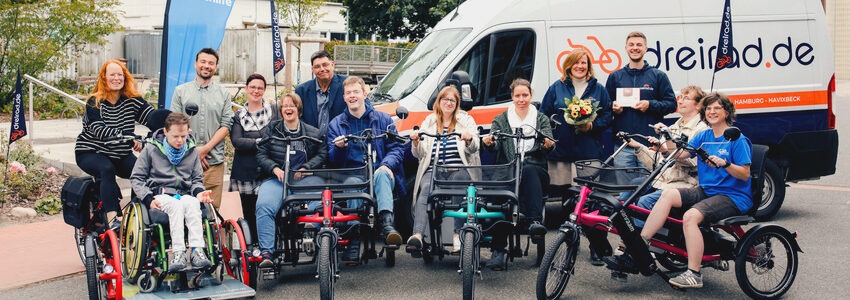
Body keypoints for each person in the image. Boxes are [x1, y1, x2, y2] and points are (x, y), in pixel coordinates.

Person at [607, 93, 752, 289]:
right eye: (708, 109)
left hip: (732, 195)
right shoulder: (704, 135)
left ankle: (694, 273)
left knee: (691, 216)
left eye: (717, 108)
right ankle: (641, 245)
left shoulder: (737, 139)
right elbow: (681, 153)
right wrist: (665, 139)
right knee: (669, 194)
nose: (712, 112)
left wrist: (725, 164)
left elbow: (744, 174)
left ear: (727, 112)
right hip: (707, 190)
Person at [539, 50, 613, 265]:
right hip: (561, 153)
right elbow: (543, 114)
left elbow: (608, 115)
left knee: (591, 201)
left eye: (584, 62)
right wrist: (548, 137)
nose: (580, 66)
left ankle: (597, 247)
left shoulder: (598, 89)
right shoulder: (557, 87)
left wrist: (592, 125)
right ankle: (569, 242)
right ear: (568, 65)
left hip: (588, 152)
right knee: (566, 200)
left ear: (588, 65)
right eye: (576, 62)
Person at [327, 76, 405, 263]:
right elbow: (332, 160)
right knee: (354, 181)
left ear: (364, 93)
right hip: (353, 175)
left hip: (380, 171)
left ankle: (387, 225)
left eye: (356, 92)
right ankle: (354, 237)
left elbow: (397, 147)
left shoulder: (383, 119)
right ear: (344, 98)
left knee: (381, 174)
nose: (352, 96)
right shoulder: (336, 125)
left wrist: (387, 164)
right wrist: (339, 149)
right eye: (348, 93)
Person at [482, 78, 555, 270]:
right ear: (512, 97)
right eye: (517, 95)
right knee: (503, 193)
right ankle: (498, 249)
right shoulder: (501, 119)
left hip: (534, 169)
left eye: (525, 95)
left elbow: (549, 143)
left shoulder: (540, 118)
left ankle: (534, 223)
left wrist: (548, 143)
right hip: (508, 168)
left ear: (531, 95)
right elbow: (496, 142)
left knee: (529, 171)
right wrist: (490, 142)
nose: (521, 99)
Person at [75, 59, 154, 229]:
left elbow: (152, 117)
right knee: (106, 169)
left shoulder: (132, 100)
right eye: (112, 75)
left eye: (120, 75)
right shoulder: (94, 101)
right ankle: (113, 219)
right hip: (91, 151)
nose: (116, 78)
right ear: (104, 78)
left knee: (142, 171)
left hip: (119, 153)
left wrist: (171, 127)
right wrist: (130, 136)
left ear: (125, 78)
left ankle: (137, 213)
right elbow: (98, 128)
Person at [130, 112, 213, 272]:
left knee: (193, 203)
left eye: (183, 136)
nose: (180, 140)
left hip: (185, 194)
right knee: (175, 206)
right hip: (160, 194)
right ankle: (178, 252)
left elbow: (196, 179)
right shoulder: (151, 150)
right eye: (175, 136)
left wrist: (199, 193)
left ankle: (197, 250)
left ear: (188, 132)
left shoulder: (192, 151)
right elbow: (137, 178)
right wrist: (148, 198)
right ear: (166, 132)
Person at [255, 92, 327, 267]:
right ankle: (267, 253)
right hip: (277, 180)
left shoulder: (312, 132)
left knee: (321, 203)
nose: (288, 109)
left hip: (305, 180)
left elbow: (323, 153)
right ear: (281, 110)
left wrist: (306, 168)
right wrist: (274, 168)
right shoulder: (272, 130)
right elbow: (261, 153)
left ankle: (314, 236)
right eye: (285, 106)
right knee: (264, 206)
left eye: (292, 106)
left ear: (298, 110)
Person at [406, 86, 481, 256]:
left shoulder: (465, 120)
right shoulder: (429, 122)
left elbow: (475, 147)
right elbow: (419, 154)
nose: (448, 103)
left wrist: (469, 139)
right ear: (438, 102)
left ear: (457, 104)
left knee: (459, 183)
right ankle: (417, 234)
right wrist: (416, 142)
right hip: (434, 170)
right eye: (445, 99)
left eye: (452, 100)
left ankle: (457, 236)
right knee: (425, 189)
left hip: (458, 168)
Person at [623, 86, 709, 227]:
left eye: (686, 98)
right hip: (662, 181)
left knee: (644, 201)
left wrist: (665, 151)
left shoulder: (702, 130)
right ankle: (627, 237)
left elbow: (693, 161)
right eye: (680, 97)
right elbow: (658, 163)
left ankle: (640, 244)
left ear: (699, 105)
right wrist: (638, 147)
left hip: (685, 183)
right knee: (625, 194)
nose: (680, 101)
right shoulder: (674, 127)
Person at [171, 48, 234, 208]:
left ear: (216, 67)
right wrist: (194, 151)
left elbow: (226, 125)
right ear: (195, 64)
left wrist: (205, 149)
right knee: (183, 207)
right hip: (184, 161)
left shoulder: (224, 94)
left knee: (212, 211)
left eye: (211, 63)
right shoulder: (181, 91)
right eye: (203, 62)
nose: (206, 66)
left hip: (213, 162)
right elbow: (175, 125)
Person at [605, 31, 676, 170]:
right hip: (623, 146)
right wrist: (613, 107)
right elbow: (605, 105)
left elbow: (672, 104)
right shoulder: (615, 77)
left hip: (650, 145)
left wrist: (650, 105)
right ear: (626, 48)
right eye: (631, 45)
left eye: (639, 44)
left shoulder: (658, 76)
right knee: (625, 189)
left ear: (646, 48)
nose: (635, 48)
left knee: (650, 188)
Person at [229, 73, 281, 243]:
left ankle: (270, 245)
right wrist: (263, 141)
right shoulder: (239, 116)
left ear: (264, 90)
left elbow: (278, 136)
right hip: (245, 171)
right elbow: (237, 141)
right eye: (252, 87)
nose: (256, 91)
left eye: (260, 88)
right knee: (249, 212)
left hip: (268, 171)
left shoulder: (274, 112)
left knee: (269, 210)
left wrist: (251, 141)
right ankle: (253, 248)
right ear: (246, 89)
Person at [295, 50, 348, 138]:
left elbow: (363, 107)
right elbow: (298, 118)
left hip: (341, 141)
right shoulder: (302, 91)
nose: (322, 69)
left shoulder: (347, 84)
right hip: (312, 143)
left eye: (325, 65)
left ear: (332, 65)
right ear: (312, 69)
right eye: (317, 66)